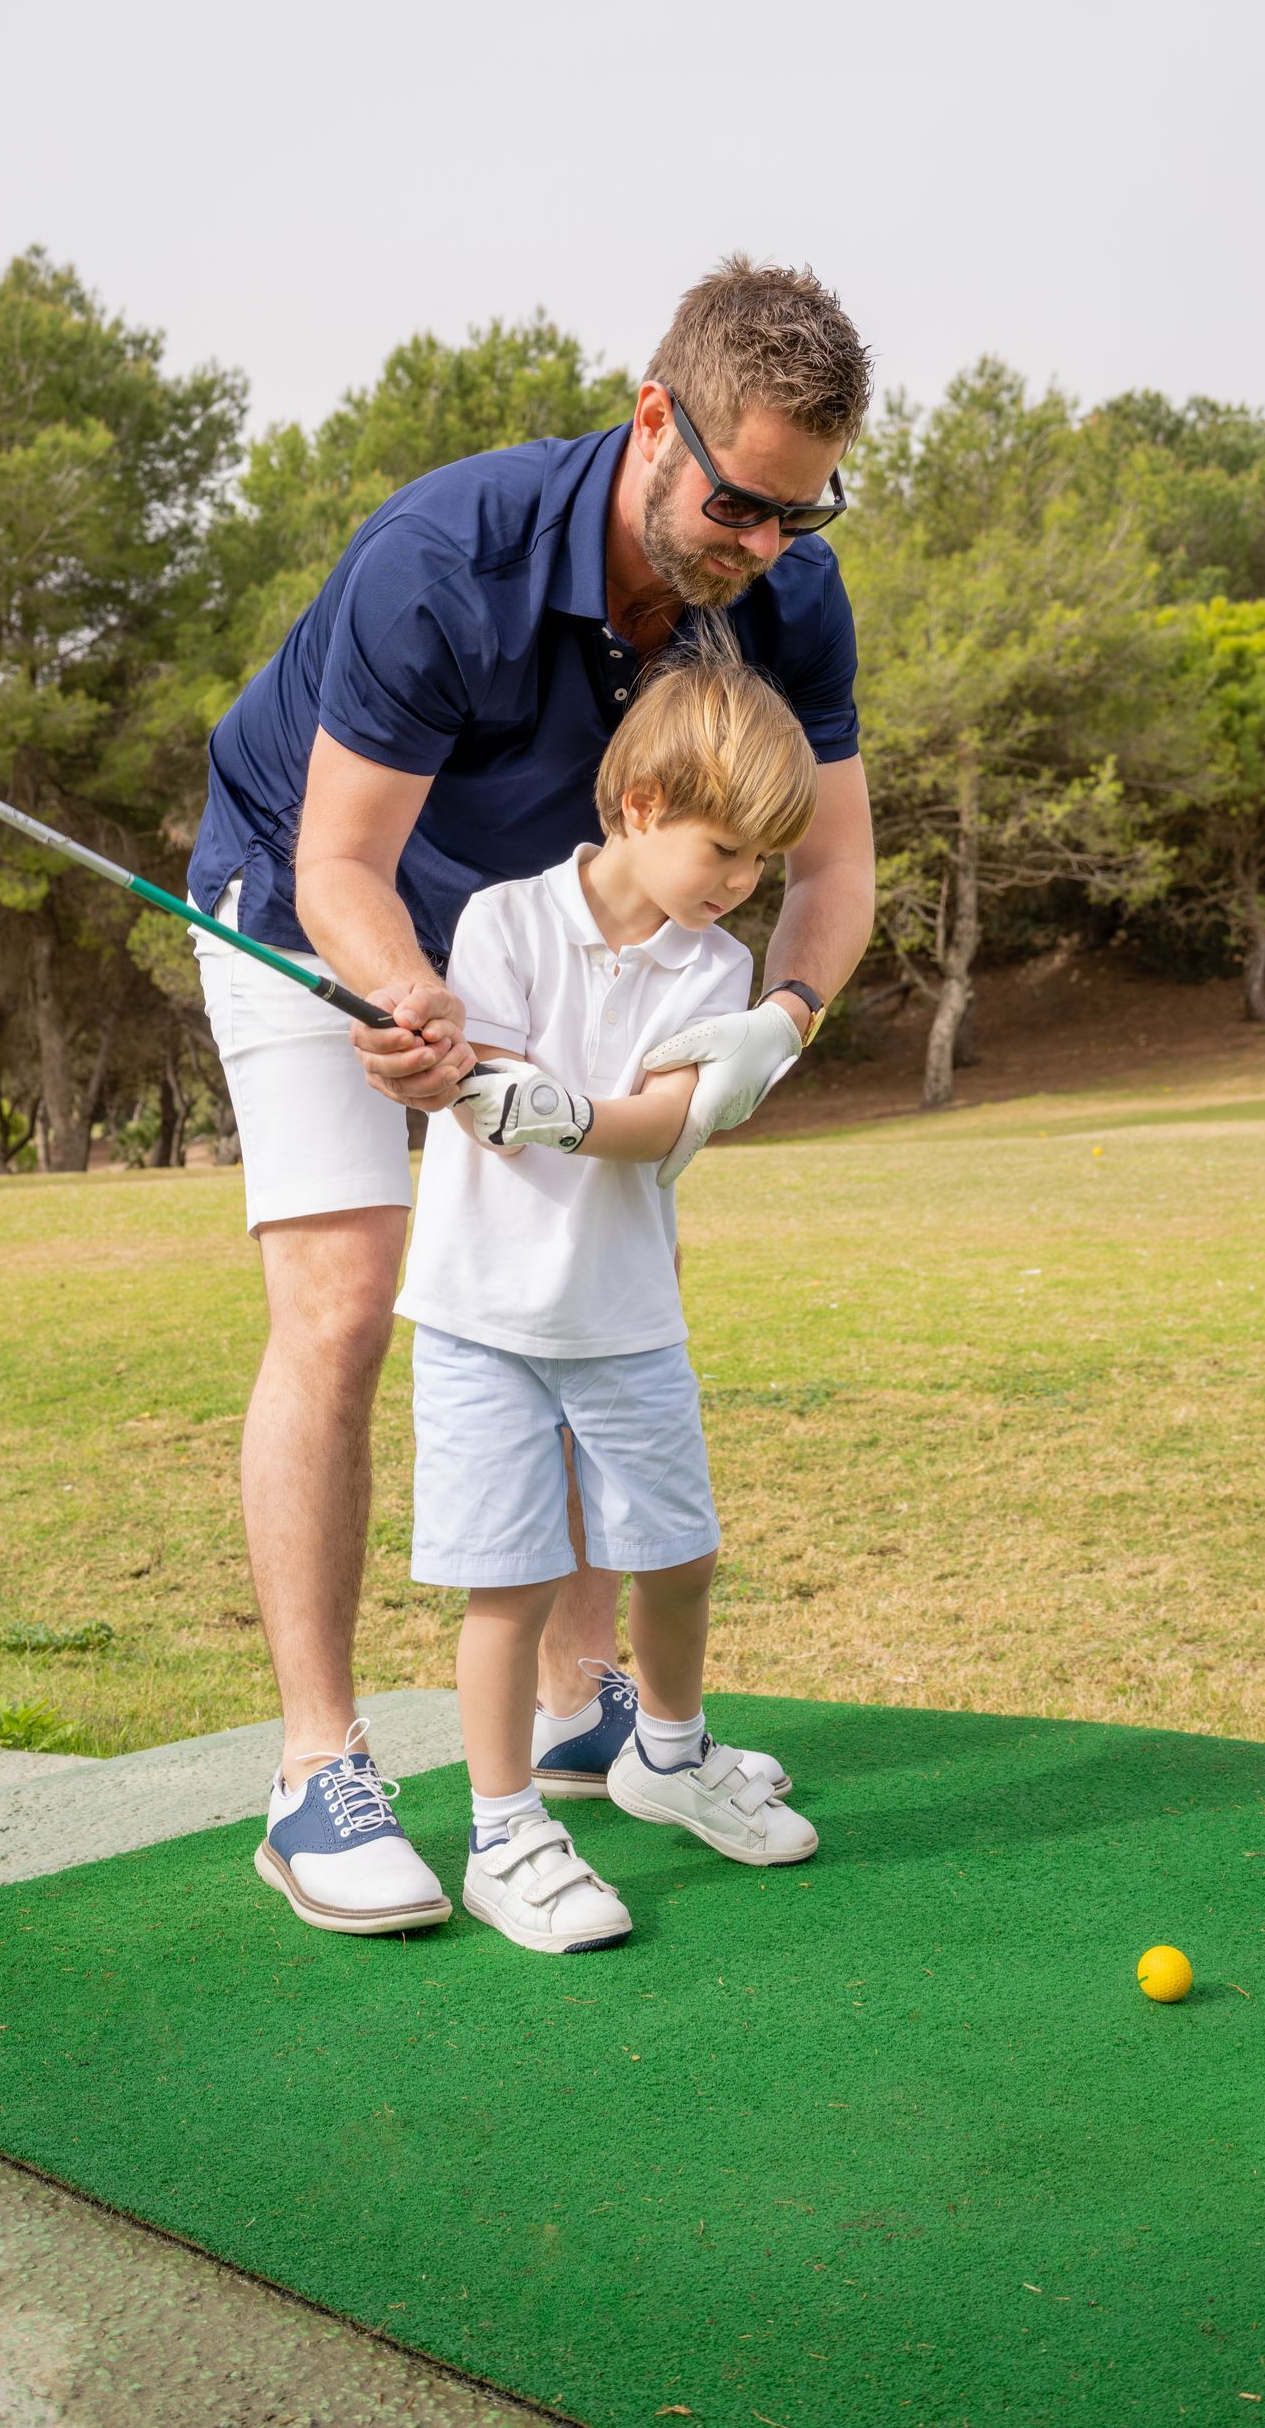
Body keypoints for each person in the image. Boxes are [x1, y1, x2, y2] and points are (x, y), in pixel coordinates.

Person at [188, 258, 877, 1933]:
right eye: (741, 501)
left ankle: (589, 1718)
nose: (767, 545)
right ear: (657, 417)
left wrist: (771, 1026)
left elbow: (836, 870)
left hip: (571, 944)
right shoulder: (452, 557)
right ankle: (316, 1771)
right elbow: (341, 856)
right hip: (314, 911)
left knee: (584, 1284)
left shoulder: (789, 592)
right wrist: (410, 1003)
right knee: (350, 1298)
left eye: (806, 507)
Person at [383, 647, 821, 1950]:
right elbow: (485, 1090)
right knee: (506, 1585)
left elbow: (664, 1121)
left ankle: (668, 1760)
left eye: (761, 863)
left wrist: (561, 1109)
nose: (742, 884)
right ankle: (504, 1829)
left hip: (625, 1317)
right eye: (726, 851)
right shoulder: (503, 920)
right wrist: (479, 1074)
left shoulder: (711, 969)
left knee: (678, 1555)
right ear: (639, 806)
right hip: (482, 1317)